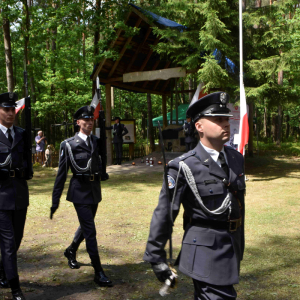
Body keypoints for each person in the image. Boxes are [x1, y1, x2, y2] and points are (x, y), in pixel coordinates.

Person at [143, 92, 246, 300]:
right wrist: (156, 256)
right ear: (199, 126)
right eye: (218, 119)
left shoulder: (236, 158)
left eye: (226, 119)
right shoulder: (183, 166)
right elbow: (165, 212)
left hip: (232, 246)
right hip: (206, 251)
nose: (225, 124)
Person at [50, 105, 112, 287]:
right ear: (78, 123)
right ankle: (98, 271)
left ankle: (71, 250)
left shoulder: (96, 140)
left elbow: (99, 161)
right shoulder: (68, 144)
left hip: (94, 190)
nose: (89, 123)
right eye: (86, 120)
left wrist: (102, 172)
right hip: (79, 193)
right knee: (91, 231)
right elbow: (61, 174)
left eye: (91, 120)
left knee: (86, 227)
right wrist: (55, 200)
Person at [0, 92, 33, 300]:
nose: (10, 113)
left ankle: (4, 271)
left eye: (13, 109)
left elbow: (26, 160)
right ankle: (15, 288)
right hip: (1, 195)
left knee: (17, 238)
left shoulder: (22, 133)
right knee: (9, 242)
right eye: (6, 109)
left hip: (20, 194)